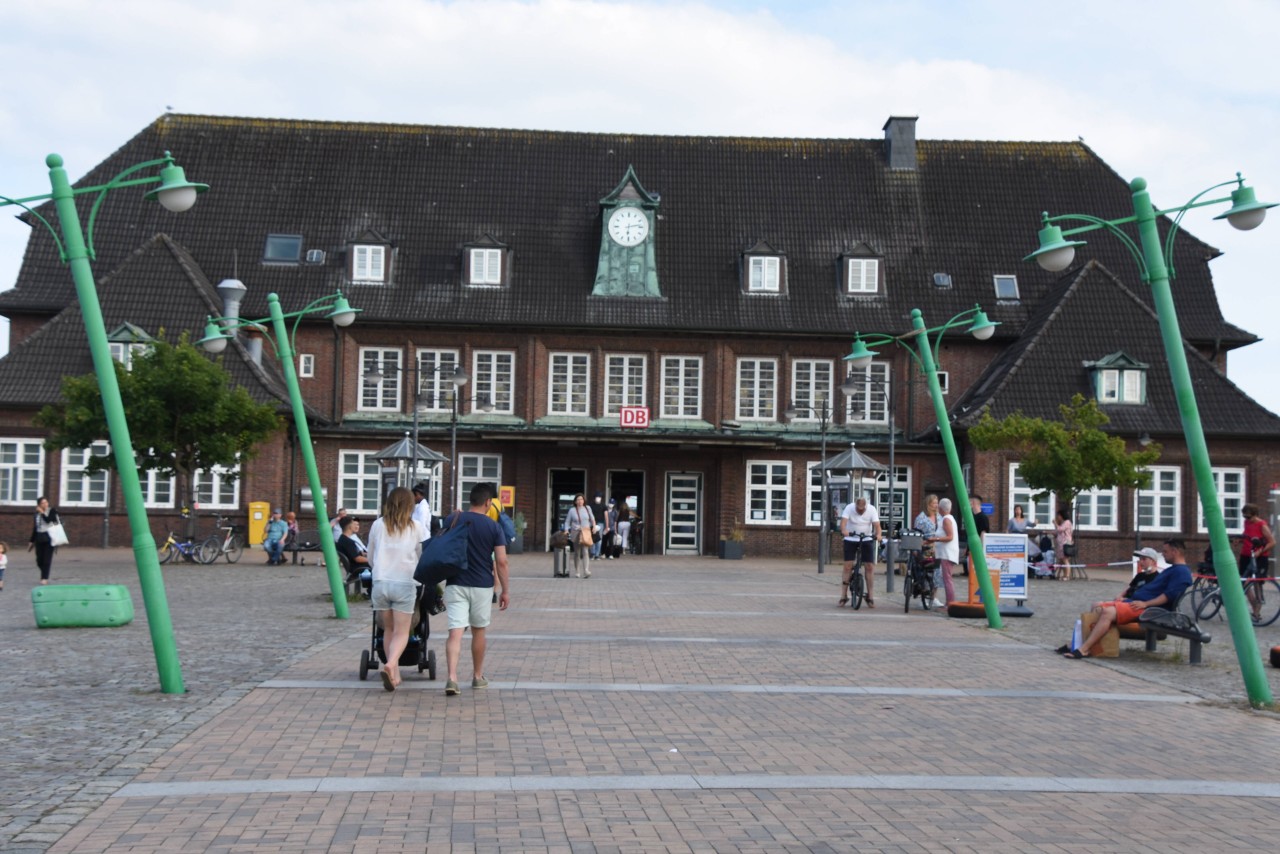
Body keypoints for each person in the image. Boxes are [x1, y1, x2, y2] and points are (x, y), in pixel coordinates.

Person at [1062, 541, 1193, 659]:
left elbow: (1169, 596)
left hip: (1149, 609)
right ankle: (1081, 644)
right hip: (1137, 603)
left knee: (1107, 613)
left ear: (1175, 551)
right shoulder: (1173, 570)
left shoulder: (1181, 572)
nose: (1163, 555)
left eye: (1165, 551)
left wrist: (1145, 603)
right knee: (1096, 606)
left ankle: (1084, 649)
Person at [442, 482, 509, 696]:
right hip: (482, 585)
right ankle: (477, 677)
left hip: (455, 582)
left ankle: (452, 678)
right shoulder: (493, 526)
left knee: (455, 632)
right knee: (479, 631)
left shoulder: (453, 519)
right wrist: (505, 590)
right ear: (488, 502)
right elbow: (501, 562)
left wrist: (455, 516)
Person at [366, 486, 428, 691]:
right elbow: (422, 556)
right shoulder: (417, 527)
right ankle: (391, 664)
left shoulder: (377, 525)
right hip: (405, 582)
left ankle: (395, 674)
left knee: (388, 629)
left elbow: (370, 556)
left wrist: (379, 571)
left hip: (381, 583)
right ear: (410, 505)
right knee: (403, 631)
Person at [839, 495, 881, 608]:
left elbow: (877, 525)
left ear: (866, 506)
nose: (860, 511)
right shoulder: (849, 508)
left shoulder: (872, 509)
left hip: (866, 538)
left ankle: (870, 597)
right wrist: (844, 530)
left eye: (862, 509)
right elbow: (843, 523)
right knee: (848, 565)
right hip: (851, 538)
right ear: (855, 505)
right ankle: (843, 596)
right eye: (858, 509)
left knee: (869, 566)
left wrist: (878, 534)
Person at [1239, 503, 1275, 620]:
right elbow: (1247, 536)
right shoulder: (1247, 523)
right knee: (1243, 582)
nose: (1247, 519)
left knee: (1257, 583)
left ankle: (1256, 612)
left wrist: (1261, 551)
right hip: (1246, 555)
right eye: (1244, 517)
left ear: (1255, 515)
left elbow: (1272, 542)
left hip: (1259, 557)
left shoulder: (1262, 525)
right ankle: (1254, 604)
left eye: (1249, 517)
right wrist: (1239, 540)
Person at [932, 498, 960, 608]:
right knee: (947, 578)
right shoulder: (949, 518)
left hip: (947, 553)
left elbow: (950, 536)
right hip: (946, 553)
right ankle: (949, 602)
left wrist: (936, 539)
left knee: (947, 579)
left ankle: (950, 603)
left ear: (941, 508)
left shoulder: (946, 520)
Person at [28, 496, 60, 585]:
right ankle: (45, 572)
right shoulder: (36, 514)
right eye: (42, 503)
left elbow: (49, 520)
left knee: (47, 559)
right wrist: (31, 541)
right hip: (39, 537)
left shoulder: (52, 511)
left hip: (50, 537)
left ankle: (44, 578)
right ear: (38, 505)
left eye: (46, 502)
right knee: (39, 560)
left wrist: (42, 513)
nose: (45, 504)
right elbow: (35, 528)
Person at [563, 492, 596, 578]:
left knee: (585, 551)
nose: (580, 501)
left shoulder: (588, 508)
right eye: (578, 499)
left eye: (581, 499)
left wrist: (594, 527)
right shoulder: (572, 510)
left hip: (585, 532)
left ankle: (586, 570)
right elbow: (567, 521)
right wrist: (566, 529)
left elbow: (592, 518)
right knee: (577, 553)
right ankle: (577, 571)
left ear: (584, 500)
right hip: (576, 532)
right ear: (575, 501)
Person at [1054, 508, 1075, 580]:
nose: (1057, 517)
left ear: (1061, 515)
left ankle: (1067, 576)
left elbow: (1060, 529)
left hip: (1065, 543)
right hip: (1061, 544)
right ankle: (1064, 575)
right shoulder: (1063, 523)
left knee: (1065, 559)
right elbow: (1058, 531)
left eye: (1058, 515)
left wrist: (1055, 523)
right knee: (1062, 560)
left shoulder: (1067, 522)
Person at [588, 491, 606, 560]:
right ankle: (593, 553)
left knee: (599, 539)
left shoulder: (603, 506)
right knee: (592, 538)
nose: (598, 498)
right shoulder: (590, 506)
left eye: (599, 497)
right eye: (597, 497)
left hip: (600, 523)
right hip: (592, 523)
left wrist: (607, 526)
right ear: (594, 498)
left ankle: (597, 554)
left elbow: (606, 515)